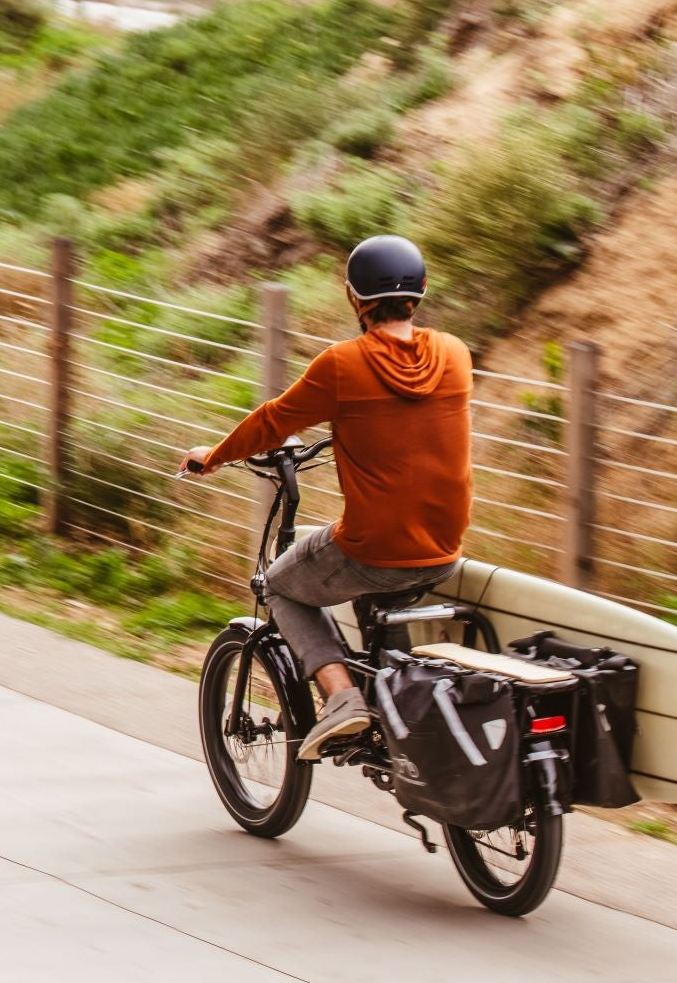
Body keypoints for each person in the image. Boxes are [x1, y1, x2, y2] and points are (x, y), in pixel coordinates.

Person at [177, 235, 473, 759]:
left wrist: (215, 454)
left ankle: (342, 701)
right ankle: (393, 702)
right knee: (363, 577)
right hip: (446, 550)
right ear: (421, 290)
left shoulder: (343, 365)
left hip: (377, 550)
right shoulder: (454, 354)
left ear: (354, 299)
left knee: (283, 586)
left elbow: (274, 422)